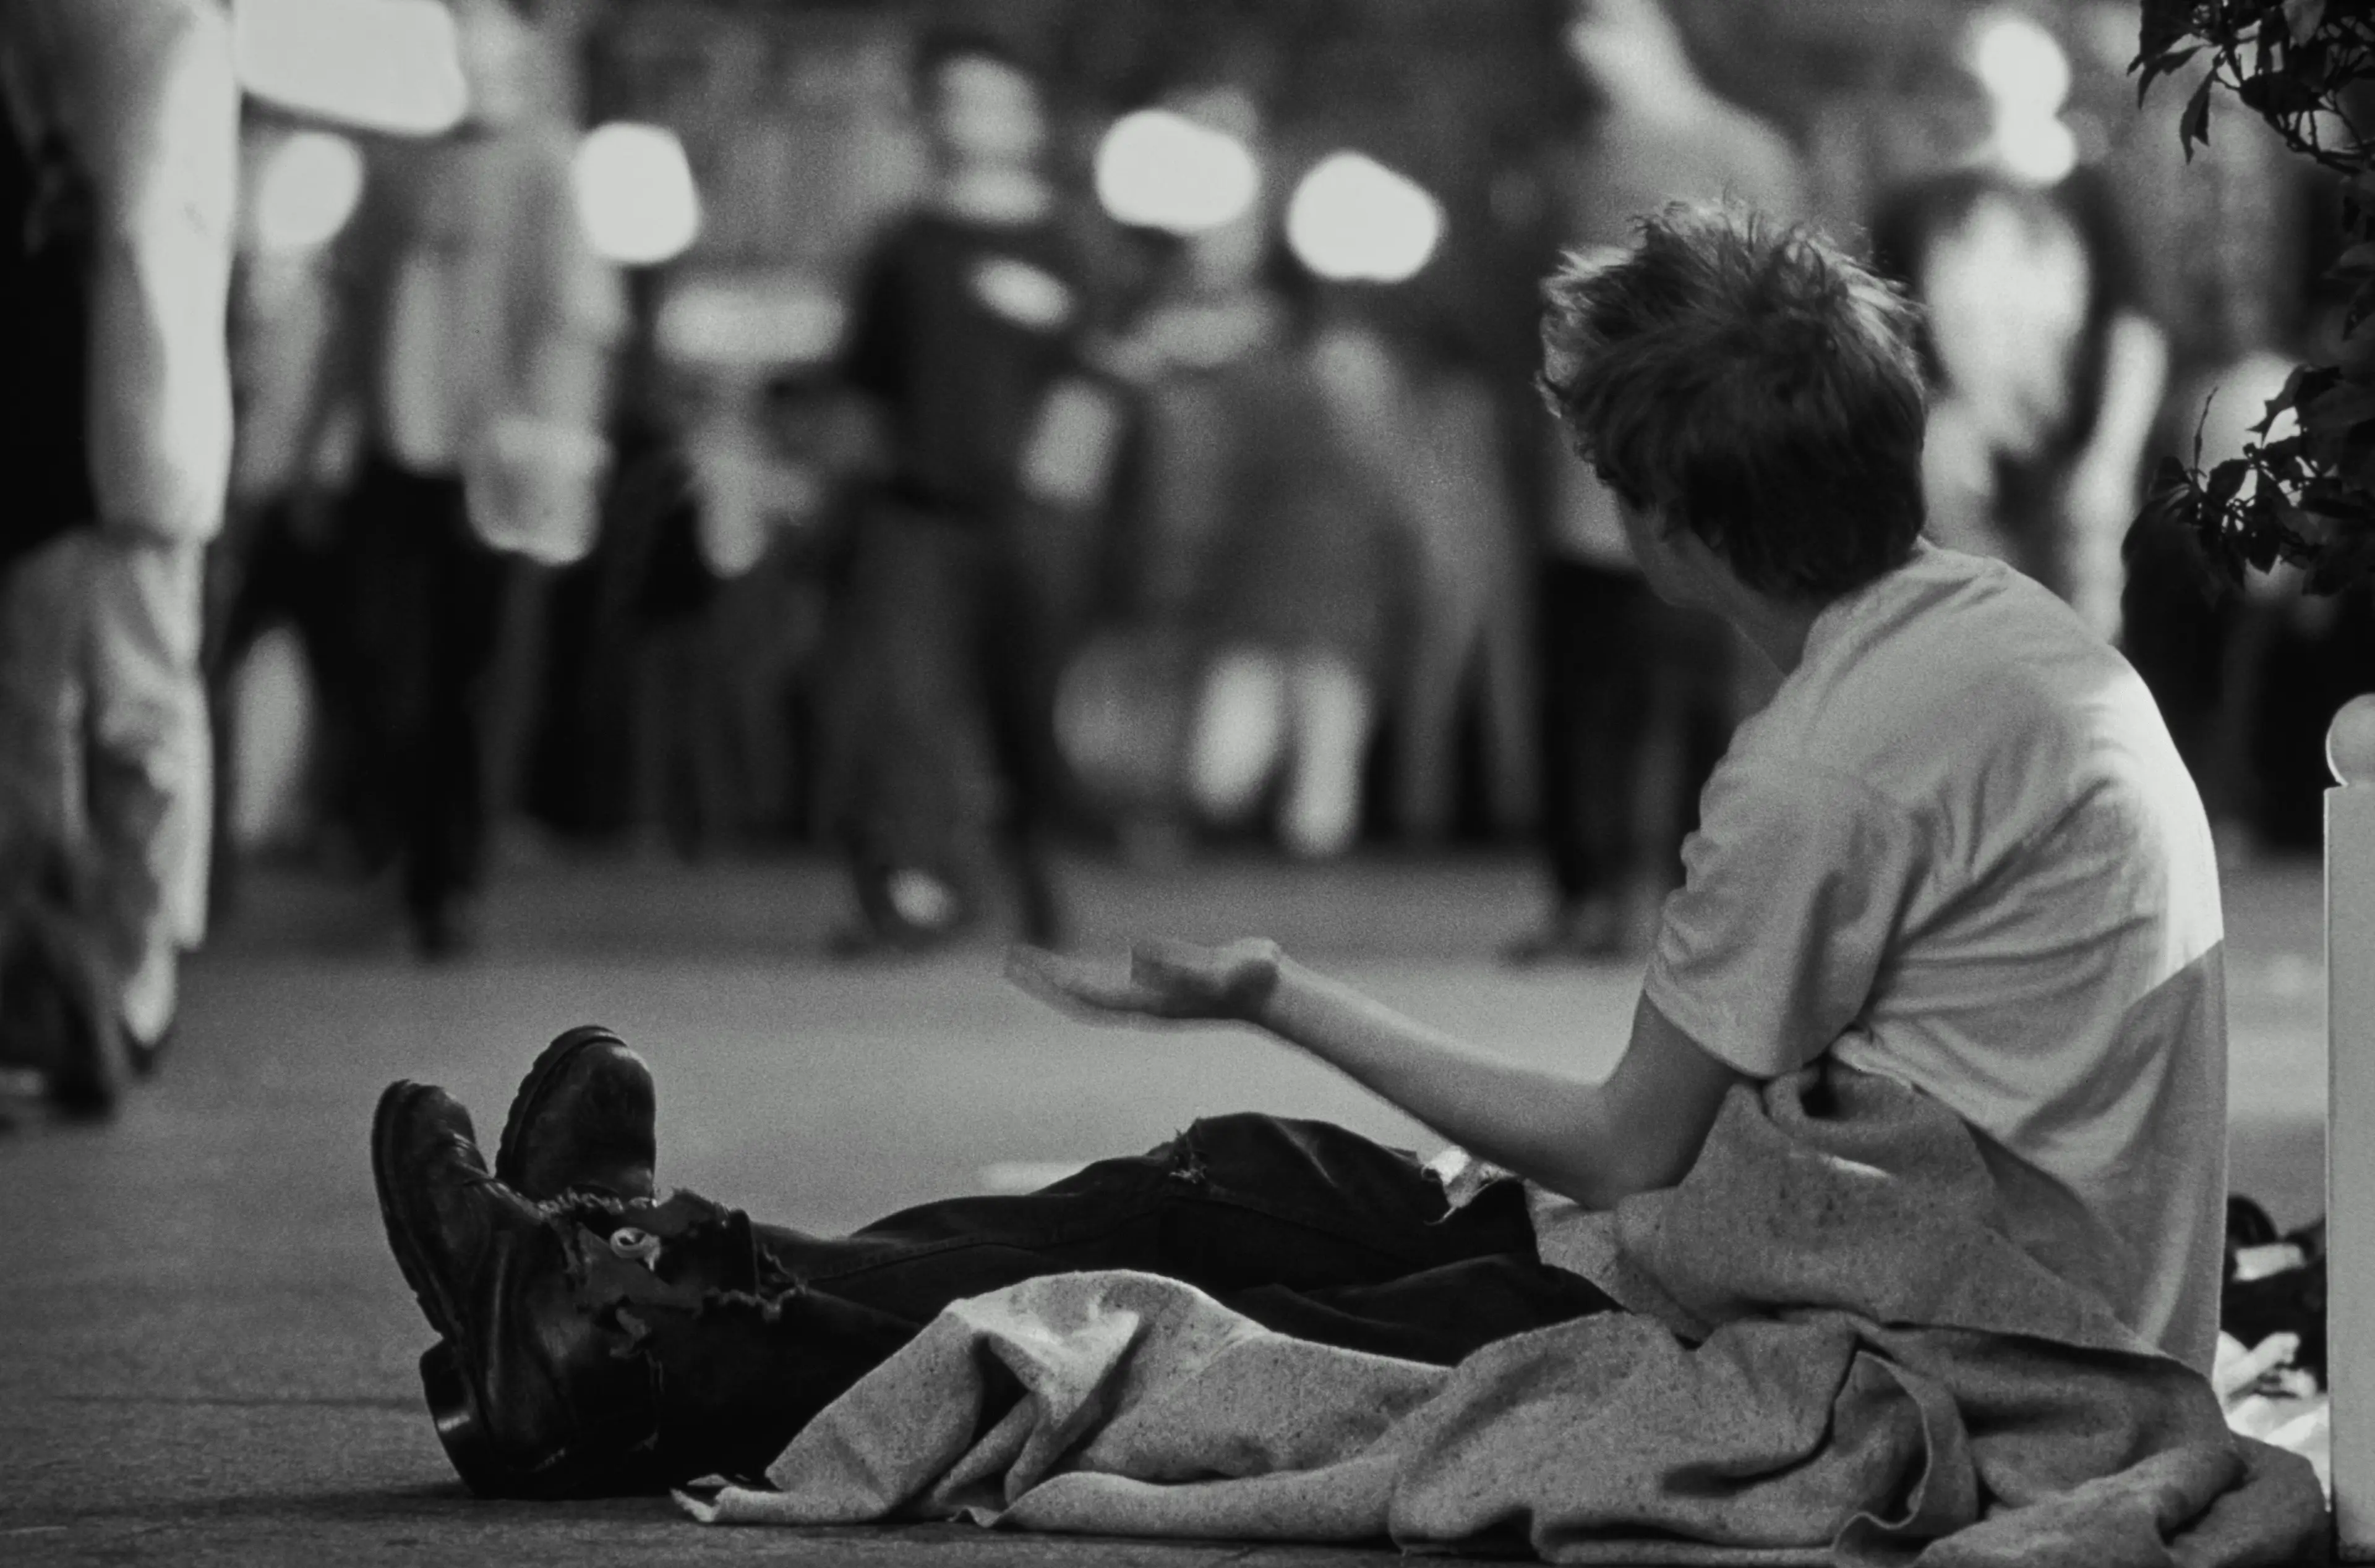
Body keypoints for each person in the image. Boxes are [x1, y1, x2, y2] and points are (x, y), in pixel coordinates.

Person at [370, 205, 2227, 1498]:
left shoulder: (1824, 765)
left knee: (1204, 1312)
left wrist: (1277, 991)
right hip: (1964, 1259)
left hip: (1928, 1324)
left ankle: (618, 1337)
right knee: (1213, 1180)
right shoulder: (1990, 628)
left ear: (1665, 520)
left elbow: (1622, 1142)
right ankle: (626, 1265)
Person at [309, 0, 621, 959]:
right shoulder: (391, 162)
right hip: (396, 452)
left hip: (501, 463)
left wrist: (556, 451)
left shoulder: (547, 165)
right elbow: (344, 313)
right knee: (383, 663)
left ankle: (449, 883)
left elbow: (579, 320)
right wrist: (319, 440)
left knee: (478, 678)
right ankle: (395, 851)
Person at [1506, 0, 1807, 963]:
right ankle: (1584, 897)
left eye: (1607, 24)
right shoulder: (1572, 160)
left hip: (1700, 470)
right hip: (1580, 473)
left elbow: (1788, 304)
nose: (1585, 48)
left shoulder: (1742, 150)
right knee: (1580, 694)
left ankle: (1699, 903)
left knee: (1700, 700)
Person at [0, 0, 238, 1110]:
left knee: (119, 717)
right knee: (60, 723)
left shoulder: (157, 28)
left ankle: (116, 986)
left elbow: (143, 224)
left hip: (120, 423)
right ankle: (83, 986)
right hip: (78, 420)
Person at [826, 26, 1102, 954]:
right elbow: (863, 384)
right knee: (901, 706)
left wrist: (1055, 497)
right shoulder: (905, 245)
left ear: (1027, 120)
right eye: (952, 101)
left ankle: (1033, 871)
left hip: (1029, 523)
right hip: (916, 516)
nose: (969, 120)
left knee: (1024, 704)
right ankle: (908, 888)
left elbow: (1095, 383)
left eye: (990, 101)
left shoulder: (1067, 247)